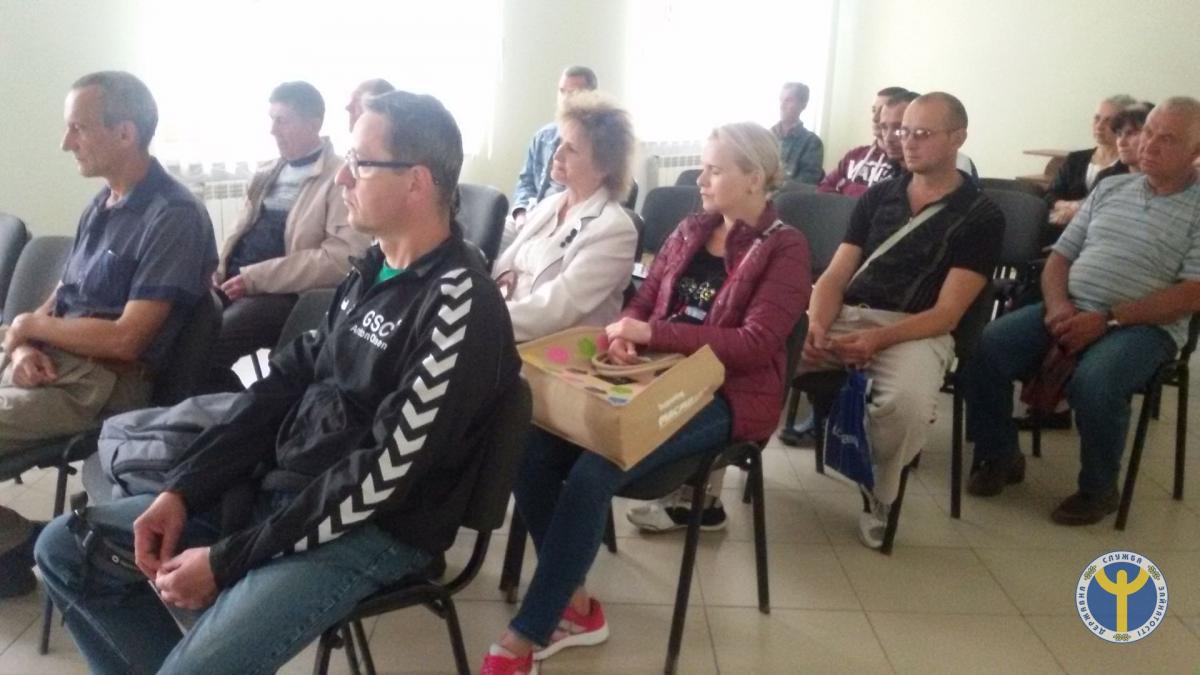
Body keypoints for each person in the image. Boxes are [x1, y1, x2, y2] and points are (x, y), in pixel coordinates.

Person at [35, 91, 521, 673]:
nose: (342, 176)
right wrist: (182, 490)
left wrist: (229, 560)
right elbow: (281, 386)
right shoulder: (371, 271)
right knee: (64, 550)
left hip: (371, 529)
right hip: (287, 493)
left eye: (361, 162)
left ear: (416, 182)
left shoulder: (459, 304)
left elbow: (379, 478)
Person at [479, 122, 811, 675]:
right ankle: (575, 605)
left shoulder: (785, 247)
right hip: (651, 378)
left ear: (755, 178)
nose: (700, 179)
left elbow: (754, 345)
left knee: (595, 470)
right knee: (530, 443)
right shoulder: (691, 229)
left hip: (724, 392)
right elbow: (643, 300)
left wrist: (654, 334)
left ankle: (530, 631)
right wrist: (625, 336)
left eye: (714, 170)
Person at [0, 71, 216, 598]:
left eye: (78, 128)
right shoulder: (102, 204)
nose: (65, 142)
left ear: (125, 133)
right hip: (54, 362)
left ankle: (16, 544)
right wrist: (24, 342)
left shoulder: (173, 216)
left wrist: (29, 327)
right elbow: (60, 300)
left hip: (102, 384)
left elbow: (126, 340)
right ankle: (12, 548)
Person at [964, 98, 1200, 525]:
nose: (1148, 144)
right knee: (987, 347)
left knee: (1096, 381)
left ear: (1196, 151)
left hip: (1145, 328)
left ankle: (1098, 488)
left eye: (1167, 139)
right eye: (1148, 131)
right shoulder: (1111, 189)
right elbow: (1060, 257)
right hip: (1070, 307)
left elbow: (1191, 294)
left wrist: (1108, 319)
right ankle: (999, 453)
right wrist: (1057, 306)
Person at [799, 92, 1004, 548]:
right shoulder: (879, 197)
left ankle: (880, 490)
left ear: (958, 138)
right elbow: (835, 277)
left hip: (915, 329)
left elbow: (947, 314)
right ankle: (702, 489)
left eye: (922, 133)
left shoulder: (981, 216)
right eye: (902, 130)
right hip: (848, 316)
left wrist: (878, 339)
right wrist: (815, 324)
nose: (906, 141)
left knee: (906, 407)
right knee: (755, 360)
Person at [204, 82, 370, 392]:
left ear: (314, 123)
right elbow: (240, 231)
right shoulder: (267, 173)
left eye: (282, 121)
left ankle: (241, 411)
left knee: (209, 343)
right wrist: (218, 267)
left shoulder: (339, 178)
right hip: (237, 282)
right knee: (181, 328)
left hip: (287, 295)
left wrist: (254, 279)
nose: (273, 130)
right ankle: (222, 407)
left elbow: (340, 260)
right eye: (272, 120)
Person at [492, 92, 638, 341]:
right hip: (505, 329)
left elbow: (554, 310)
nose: (556, 154)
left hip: (548, 348)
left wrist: (481, 319)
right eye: (560, 143)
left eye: (571, 149)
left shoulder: (615, 230)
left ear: (603, 166)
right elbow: (501, 253)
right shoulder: (549, 205)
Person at [505, 66, 598, 251]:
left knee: (535, 249)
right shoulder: (544, 136)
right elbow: (526, 182)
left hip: (568, 218)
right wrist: (521, 213)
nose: (565, 99)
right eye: (562, 92)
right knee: (495, 235)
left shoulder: (597, 143)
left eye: (573, 93)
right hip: (535, 212)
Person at [1045, 94, 1139, 228]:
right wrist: (1069, 206)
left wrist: (1078, 212)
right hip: (1059, 225)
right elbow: (1050, 195)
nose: (1099, 126)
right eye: (1097, 118)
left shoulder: (1129, 167)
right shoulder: (1075, 159)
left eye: (1108, 121)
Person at [818, 86, 908, 196]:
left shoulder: (905, 161)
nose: (875, 118)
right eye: (874, 110)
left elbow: (884, 200)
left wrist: (846, 186)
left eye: (882, 111)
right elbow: (823, 188)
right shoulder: (856, 154)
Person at [773, 82, 824, 184]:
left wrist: (775, 188)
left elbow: (807, 181)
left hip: (787, 193)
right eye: (781, 99)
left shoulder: (812, 142)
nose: (781, 105)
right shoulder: (766, 136)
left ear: (803, 105)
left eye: (788, 100)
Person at [1097, 102, 1154, 182]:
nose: (1121, 143)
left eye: (1130, 133)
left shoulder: (1169, 177)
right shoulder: (1106, 178)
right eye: (1119, 134)